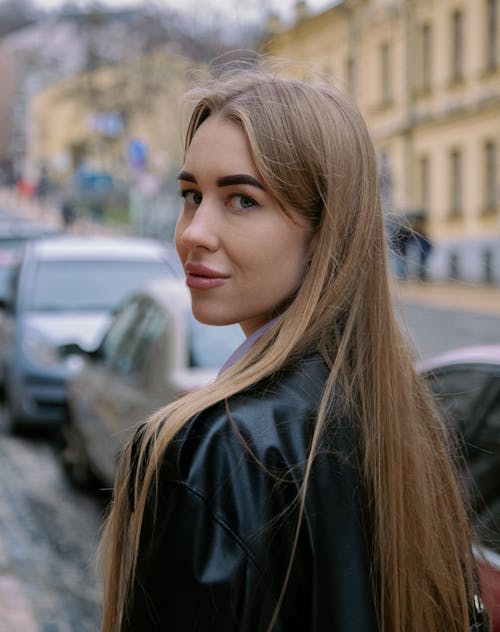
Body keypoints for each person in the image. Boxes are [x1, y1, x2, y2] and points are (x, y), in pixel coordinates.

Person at [99, 67, 489, 632]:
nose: (193, 232)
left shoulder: (215, 449)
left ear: (325, 227)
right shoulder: (404, 417)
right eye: (191, 195)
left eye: (241, 200)